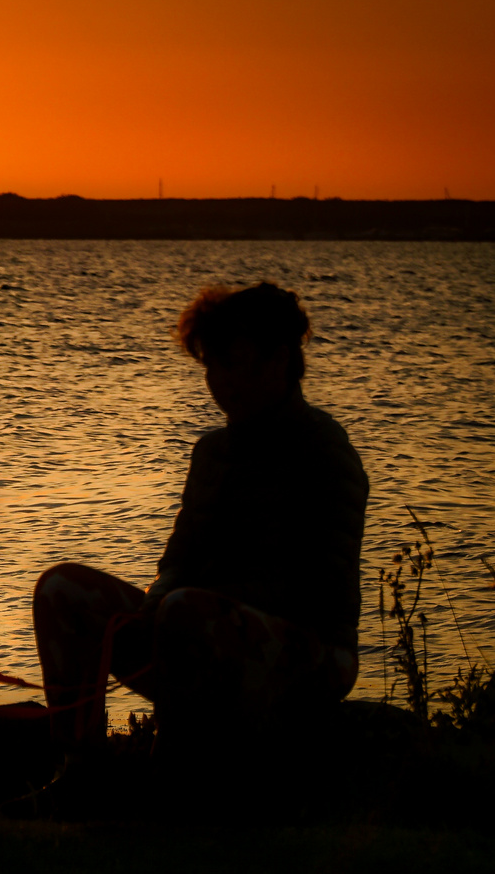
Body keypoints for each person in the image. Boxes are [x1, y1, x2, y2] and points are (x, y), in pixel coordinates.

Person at [31, 281, 368, 793]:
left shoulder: (326, 452)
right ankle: (81, 769)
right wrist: (156, 600)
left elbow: (319, 590)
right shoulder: (211, 452)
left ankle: (179, 776)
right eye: (211, 365)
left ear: (279, 362)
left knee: (187, 610)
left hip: (308, 658)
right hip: (191, 627)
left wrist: (194, 602)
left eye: (232, 363)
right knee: (61, 589)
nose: (217, 380)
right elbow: (178, 558)